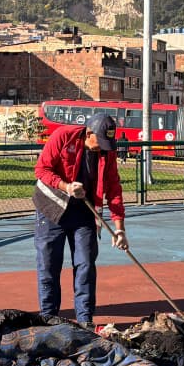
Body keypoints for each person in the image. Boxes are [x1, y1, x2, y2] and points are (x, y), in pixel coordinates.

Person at [33, 113, 129, 328]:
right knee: (49, 265)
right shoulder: (63, 136)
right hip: (51, 209)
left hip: (84, 213)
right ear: (88, 133)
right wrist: (65, 186)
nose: (103, 148)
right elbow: (41, 170)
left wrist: (119, 229)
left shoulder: (107, 152)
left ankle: (85, 319)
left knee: (85, 263)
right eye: (100, 142)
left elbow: (113, 188)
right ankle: (48, 318)